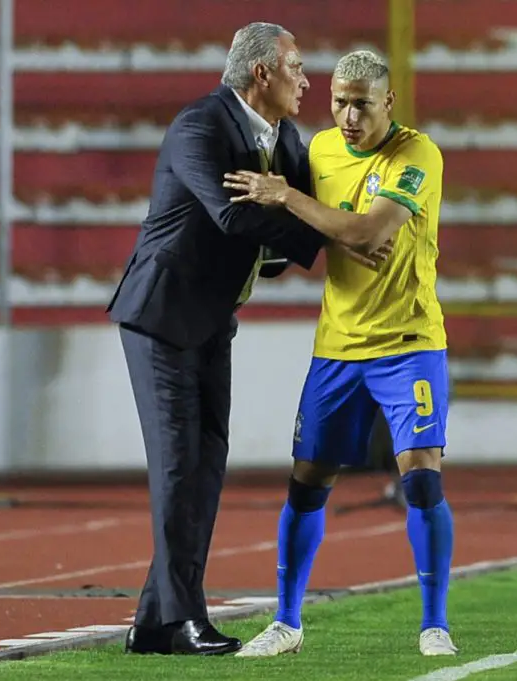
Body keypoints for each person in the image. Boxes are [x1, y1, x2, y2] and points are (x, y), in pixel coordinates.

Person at [106, 23, 386, 657]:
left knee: (204, 470)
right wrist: (327, 232)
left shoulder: (284, 138)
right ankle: (183, 619)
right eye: (296, 68)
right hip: (161, 316)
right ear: (262, 74)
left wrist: (323, 222)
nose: (307, 82)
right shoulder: (200, 126)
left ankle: (155, 620)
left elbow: (295, 217)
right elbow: (233, 215)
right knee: (180, 468)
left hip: (212, 319)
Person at [222, 49, 457, 657]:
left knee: (421, 478)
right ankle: (287, 622)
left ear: (389, 104)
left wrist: (289, 199)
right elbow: (314, 231)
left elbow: (366, 231)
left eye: (362, 104)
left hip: (409, 343)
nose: (349, 116)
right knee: (307, 482)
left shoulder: (416, 154)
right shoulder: (319, 149)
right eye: (340, 103)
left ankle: (435, 624)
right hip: (338, 347)